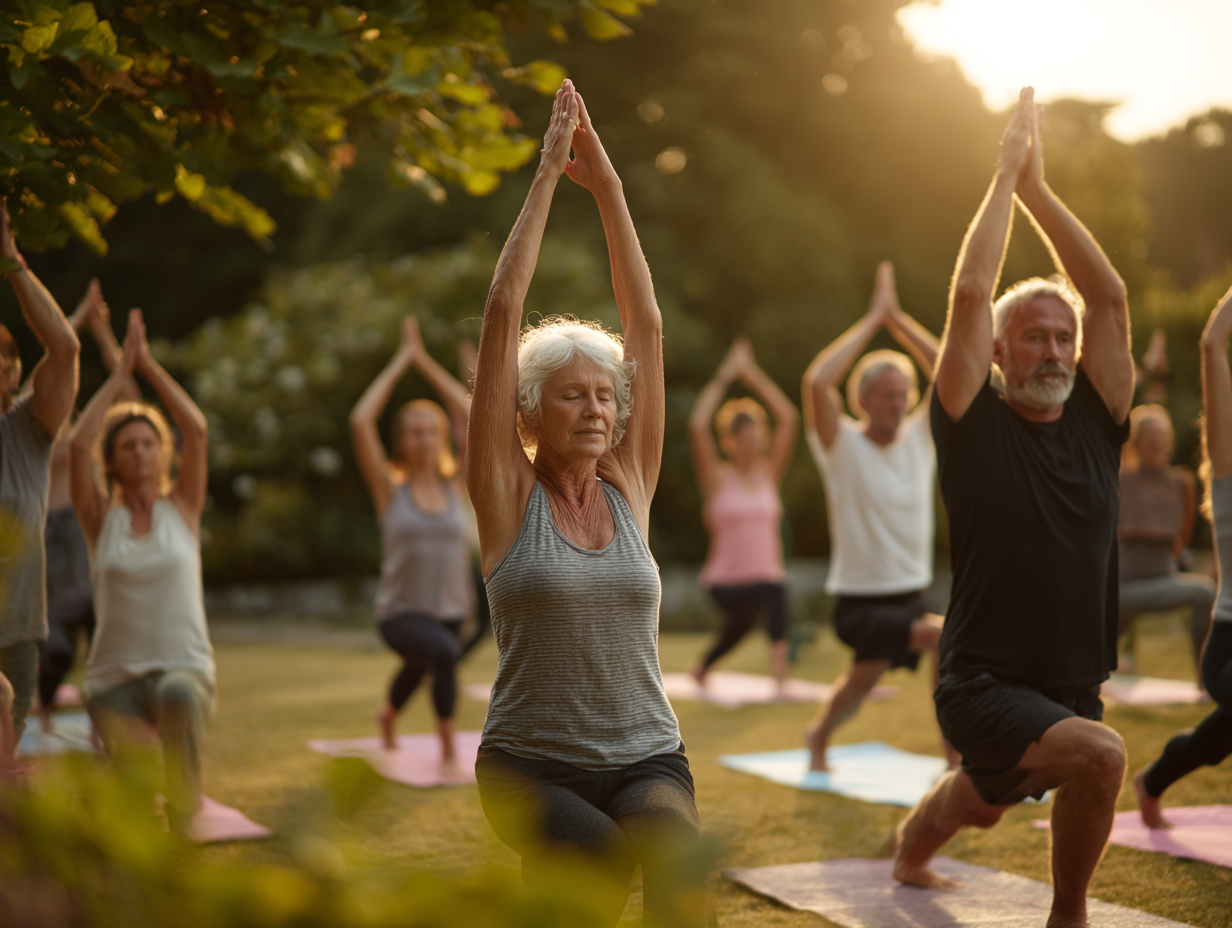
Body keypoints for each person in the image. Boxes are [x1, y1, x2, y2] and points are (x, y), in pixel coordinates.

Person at [891, 88, 1134, 928]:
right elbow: (967, 292)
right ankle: (1068, 917)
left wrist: (1041, 191)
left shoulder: (1099, 423)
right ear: (999, 352)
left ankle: (909, 848)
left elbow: (1109, 299)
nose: (1056, 350)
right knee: (1098, 758)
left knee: (987, 798)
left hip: (1072, 677)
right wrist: (1003, 178)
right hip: (982, 677)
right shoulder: (973, 423)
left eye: (1062, 338)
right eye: (1035, 336)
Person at [467, 80, 705, 927]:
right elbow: (502, 311)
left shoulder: (628, 481)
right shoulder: (505, 493)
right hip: (531, 767)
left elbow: (644, 322)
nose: (598, 409)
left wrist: (608, 190)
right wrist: (544, 177)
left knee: (679, 869)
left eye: (606, 396)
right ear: (529, 412)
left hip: (648, 754)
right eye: (573, 396)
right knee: (596, 863)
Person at [800, 261, 952, 771]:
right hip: (860, 602)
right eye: (886, 395)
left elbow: (950, 369)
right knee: (942, 637)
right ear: (861, 400)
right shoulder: (839, 444)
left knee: (862, 683)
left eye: (902, 395)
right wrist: (872, 321)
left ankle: (818, 735)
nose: (897, 403)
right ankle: (954, 754)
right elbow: (817, 382)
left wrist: (900, 320)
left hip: (909, 590)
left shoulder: (920, 438)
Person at [69, 309, 213, 834]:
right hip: (115, 680)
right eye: (127, 446)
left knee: (177, 693)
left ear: (161, 454)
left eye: (148, 443)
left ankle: (185, 803)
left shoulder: (183, 509)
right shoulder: (99, 519)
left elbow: (196, 429)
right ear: (114, 461)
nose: (139, 451)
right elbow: (77, 445)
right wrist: (116, 377)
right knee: (131, 803)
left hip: (183, 667)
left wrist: (146, 365)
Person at [349, 315, 475, 773]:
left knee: (424, 665)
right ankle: (446, 750)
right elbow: (361, 420)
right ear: (401, 440)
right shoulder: (390, 488)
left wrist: (426, 362)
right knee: (441, 655)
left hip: (451, 607)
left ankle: (388, 716)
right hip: (400, 612)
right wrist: (402, 362)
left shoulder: (457, 485)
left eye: (432, 431)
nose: (424, 439)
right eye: (415, 431)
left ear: (442, 438)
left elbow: (470, 413)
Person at [1134, 283, 1232, 828]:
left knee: (1214, 740)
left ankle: (1151, 782)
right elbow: (1213, 344)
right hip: (1229, 647)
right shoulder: (1227, 474)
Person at [0, 206, 81, 768]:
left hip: (19, 630)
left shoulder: (27, 430)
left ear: (12, 370)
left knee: (5, 763)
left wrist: (12, 262)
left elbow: (67, 349)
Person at [39, 280, 140, 727]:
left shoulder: (90, 442)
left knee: (109, 651)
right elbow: (31, 387)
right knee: (55, 652)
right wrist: (72, 326)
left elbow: (132, 405)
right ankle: (40, 701)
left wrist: (102, 336)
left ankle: (108, 726)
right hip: (54, 555)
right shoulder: (41, 436)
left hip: (92, 554)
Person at [688, 335, 797, 692]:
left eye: (757, 438)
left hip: (761, 578)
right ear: (730, 441)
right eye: (745, 439)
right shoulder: (718, 479)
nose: (752, 446)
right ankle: (779, 682)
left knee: (743, 624)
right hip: (723, 581)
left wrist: (752, 375)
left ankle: (701, 668)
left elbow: (789, 417)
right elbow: (697, 426)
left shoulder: (769, 475)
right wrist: (726, 375)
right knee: (775, 591)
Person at [1117, 404, 1213, 680]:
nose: (1156, 440)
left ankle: (1205, 678)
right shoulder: (1122, 477)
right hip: (1122, 586)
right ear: (1136, 440)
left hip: (1162, 580)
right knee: (1099, 642)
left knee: (1205, 591)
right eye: (1149, 433)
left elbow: (1184, 536)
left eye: (1161, 433)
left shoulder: (1181, 482)